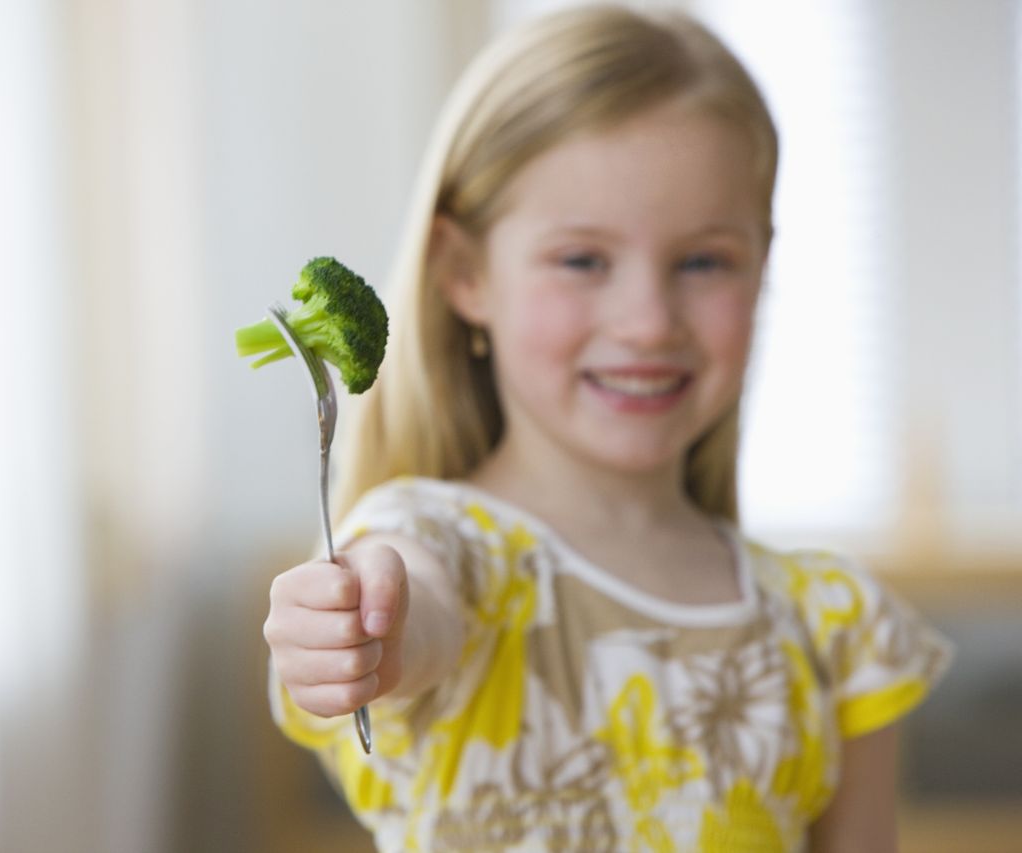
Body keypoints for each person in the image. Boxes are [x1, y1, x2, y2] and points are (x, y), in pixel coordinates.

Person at [262, 5, 951, 851]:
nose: (649, 320)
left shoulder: (835, 627)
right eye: (583, 260)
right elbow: (416, 602)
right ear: (464, 273)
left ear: (764, 266)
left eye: (703, 261)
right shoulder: (441, 546)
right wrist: (364, 625)